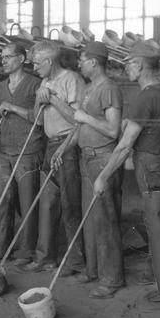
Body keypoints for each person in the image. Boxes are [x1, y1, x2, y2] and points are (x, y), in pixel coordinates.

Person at [94, 41, 160, 309]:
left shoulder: (146, 97)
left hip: (152, 165)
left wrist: (104, 176)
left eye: (129, 64)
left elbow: (124, 145)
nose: (126, 69)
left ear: (141, 65)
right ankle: (156, 273)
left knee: (158, 228)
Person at [52, 41, 124, 299]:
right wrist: (64, 148)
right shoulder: (89, 88)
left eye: (82, 60)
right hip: (85, 157)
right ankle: (92, 270)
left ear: (94, 62)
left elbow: (113, 130)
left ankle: (111, 278)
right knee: (89, 219)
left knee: (105, 220)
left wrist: (85, 118)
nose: (79, 64)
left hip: (104, 159)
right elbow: (79, 127)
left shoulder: (110, 89)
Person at [21, 40, 85, 275]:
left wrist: (54, 100)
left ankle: (75, 261)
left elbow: (78, 119)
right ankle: (45, 257)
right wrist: (39, 99)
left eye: (37, 63)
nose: (34, 67)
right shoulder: (44, 82)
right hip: (50, 145)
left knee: (70, 205)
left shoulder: (72, 80)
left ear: (49, 61)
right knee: (47, 204)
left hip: (68, 146)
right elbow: (37, 121)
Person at [0, 43, 44, 265]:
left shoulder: (36, 85)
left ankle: (26, 252)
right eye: (2, 57)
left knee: (27, 203)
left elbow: (41, 118)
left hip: (28, 151)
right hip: (4, 151)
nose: (4, 61)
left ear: (22, 58)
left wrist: (14, 108)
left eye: (8, 57)